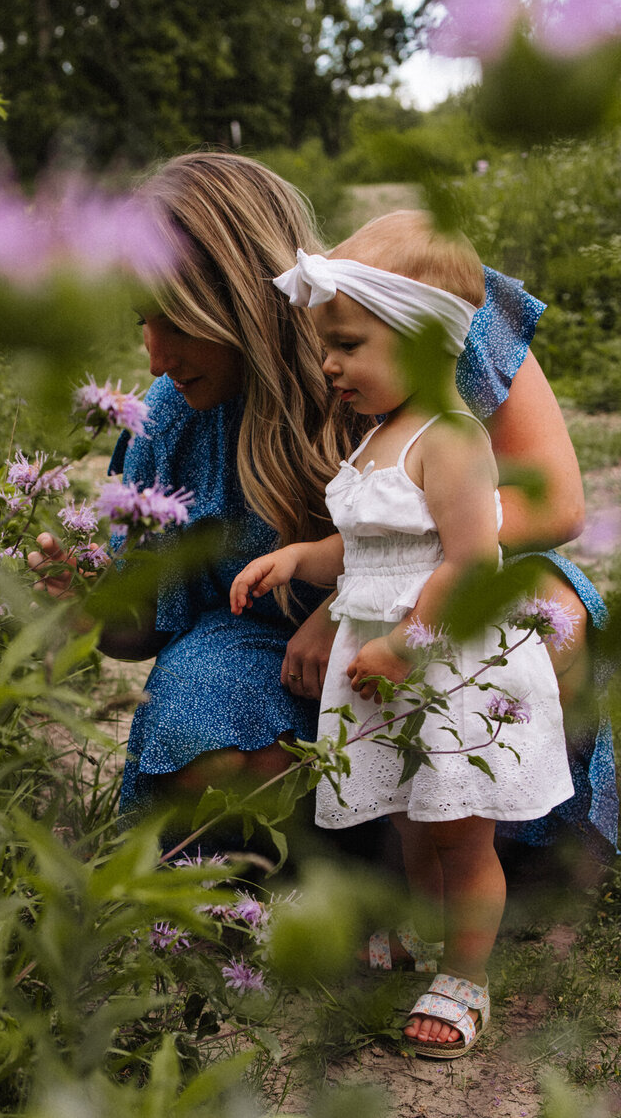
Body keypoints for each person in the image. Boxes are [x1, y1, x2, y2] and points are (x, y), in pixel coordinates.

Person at [28, 151, 615, 863]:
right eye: (144, 321)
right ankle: (371, 860)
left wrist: (345, 601)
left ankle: (496, 842)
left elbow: (553, 499)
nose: (154, 356)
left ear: (241, 298)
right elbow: (149, 623)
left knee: (553, 616)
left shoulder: (409, 307)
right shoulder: (171, 416)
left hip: (437, 605)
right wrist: (87, 610)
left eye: (176, 322)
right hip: (274, 658)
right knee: (195, 738)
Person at [229, 210, 575, 1057]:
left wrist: (400, 642)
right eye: (326, 346)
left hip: (443, 665)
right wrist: (303, 557)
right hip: (386, 662)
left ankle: (467, 974)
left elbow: (466, 560)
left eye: (347, 343)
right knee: (413, 820)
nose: (330, 365)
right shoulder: (381, 436)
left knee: (460, 829)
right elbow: (371, 542)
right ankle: (426, 936)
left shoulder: (452, 440)